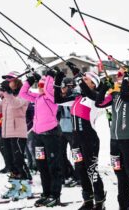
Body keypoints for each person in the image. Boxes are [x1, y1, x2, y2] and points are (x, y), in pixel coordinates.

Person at [96, 66, 129, 210]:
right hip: (115, 143)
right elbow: (98, 103)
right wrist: (103, 88)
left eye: (121, 74)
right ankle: (123, 206)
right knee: (121, 177)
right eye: (119, 74)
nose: (118, 77)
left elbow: (126, 95)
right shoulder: (114, 95)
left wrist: (126, 81)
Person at [54, 64, 105, 210]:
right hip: (77, 139)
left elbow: (95, 94)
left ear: (93, 84)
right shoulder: (78, 99)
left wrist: (78, 76)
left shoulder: (94, 99)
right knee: (80, 170)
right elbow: (58, 99)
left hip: (89, 139)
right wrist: (58, 80)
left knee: (91, 170)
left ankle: (100, 201)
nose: (83, 80)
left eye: (86, 79)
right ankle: (88, 200)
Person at [0, 71, 31, 200]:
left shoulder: (23, 95)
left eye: (10, 80)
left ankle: (26, 189)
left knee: (18, 162)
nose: (8, 82)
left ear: (16, 81)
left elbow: (15, 103)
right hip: (6, 133)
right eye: (7, 81)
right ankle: (15, 187)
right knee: (10, 163)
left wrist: (7, 92)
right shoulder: (6, 98)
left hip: (17, 133)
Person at [19, 71, 61, 207]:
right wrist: (31, 80)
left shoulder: (52, 97)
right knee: (41, 166)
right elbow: (22, 93)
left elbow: (50, 90)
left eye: (43, 85)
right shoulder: (37, 97)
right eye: (40, 85)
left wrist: (49, 77)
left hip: (51, 135)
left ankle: (55, 195)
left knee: (53, 166)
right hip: (38, 137)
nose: (41, 87)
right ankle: (46, 193)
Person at [57, 77, 79, 187]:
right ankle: (66, 173)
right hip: (62, 129)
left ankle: (78, 176)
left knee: (76, 153)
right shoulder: (61, 97)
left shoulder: (75, 96)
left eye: (64, 87)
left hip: (72, 129)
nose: (62, 89)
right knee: (60, 153)